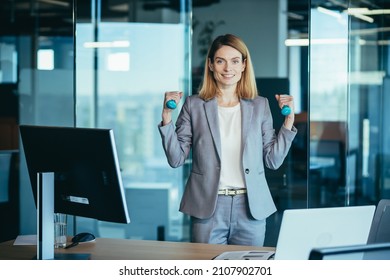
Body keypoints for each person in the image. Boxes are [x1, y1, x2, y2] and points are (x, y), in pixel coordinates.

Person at [158, 34, 297, 246]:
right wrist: (167, 118)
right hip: (208, 208)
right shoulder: (193, 105)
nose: (227, 68)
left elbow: (272, 160)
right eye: (220, 61)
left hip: (250, 208)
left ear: (243, 65)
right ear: (211, 65)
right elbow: (176, 159)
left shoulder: (260, 106)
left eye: (234, 61)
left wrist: (288, 122)